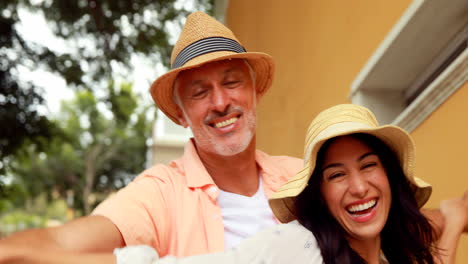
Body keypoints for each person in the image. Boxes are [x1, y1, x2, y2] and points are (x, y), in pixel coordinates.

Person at [0, 12, 464, 263]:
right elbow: (65, 247)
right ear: (181, 115)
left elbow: (391, 220)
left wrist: (452, 216)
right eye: (199, 92)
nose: (220, 102)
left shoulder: (303, 178)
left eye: (231, 82)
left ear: (256, 91)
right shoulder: (158, 194)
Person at [108, 104, 467, 264]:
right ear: (321, 195)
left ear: (389, 177)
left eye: (369, 166)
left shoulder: (389, 255)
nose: (358, 187)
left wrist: (452, 222)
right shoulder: (299, 248)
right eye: (337, 174)